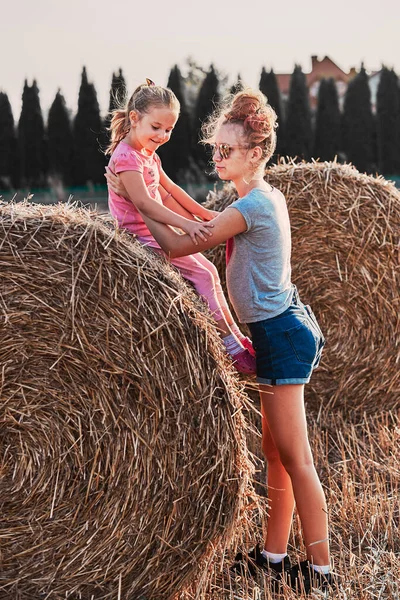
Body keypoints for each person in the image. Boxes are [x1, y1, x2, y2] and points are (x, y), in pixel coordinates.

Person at [107, 87, 333, 595]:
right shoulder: (257, 197)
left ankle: (321, 572)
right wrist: (154, 189)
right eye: (215, 149)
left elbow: (177, 243)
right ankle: (274, 557)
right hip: (283, 327)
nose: (217, 157)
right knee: (275, 455)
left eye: (226, 150)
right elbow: (191, 212)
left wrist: (133, 203)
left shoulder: (249, 207)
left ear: (254, 154)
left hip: (281, 336)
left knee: (296, 459)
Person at [104, 79, 256, 375]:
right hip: (139, 238)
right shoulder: (126, 158)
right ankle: (231, 346)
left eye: (169, 129)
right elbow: (146, 204)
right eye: (156, 127)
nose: (162, 135)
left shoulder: (148, 156)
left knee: (209, 272)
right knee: (202, 273)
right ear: (135, 119)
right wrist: (187, 224)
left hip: (155, 231)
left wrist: (204, 214)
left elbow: (170, 191)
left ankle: (237, 338)